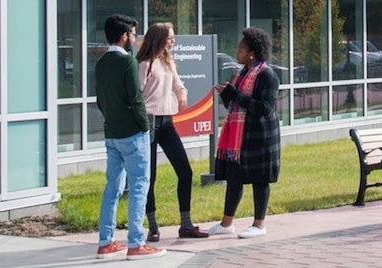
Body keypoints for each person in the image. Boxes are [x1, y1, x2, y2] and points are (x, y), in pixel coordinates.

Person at [93, 14, 165, 260]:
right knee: (139, 186)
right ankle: (136, 243)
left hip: (111, 132)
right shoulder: (128, 63)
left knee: (112, 186)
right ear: (124, 37)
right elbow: (136, 99)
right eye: (133, 35)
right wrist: (145, 126)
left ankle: (106, 241)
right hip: (133, 134)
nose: (134, 39)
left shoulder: (101, 62)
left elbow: (99, 99)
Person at [134, 22, 212, 241]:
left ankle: (186, 224)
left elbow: (178, 83)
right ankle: (153, 226)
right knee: (150, 177)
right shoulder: (144, 64)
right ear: (158, 38)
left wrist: (182, 93)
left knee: (185, 171)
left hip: (167, 122)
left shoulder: (167, 62)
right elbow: (138, 95)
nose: (173, 40)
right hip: (149, 122)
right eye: (170, 37)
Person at [204, 27, 282, 239]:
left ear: (252, 54)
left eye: (240, 49)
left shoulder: (267, 75)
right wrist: (226, 94)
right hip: (239, 137)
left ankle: (259, 224)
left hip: (260, 136)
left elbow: (264, 108)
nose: (236, 52)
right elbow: (234, 103)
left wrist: (234, 94)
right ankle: (226, 223)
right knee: (234, 178)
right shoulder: (241, 74)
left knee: (260, 180)